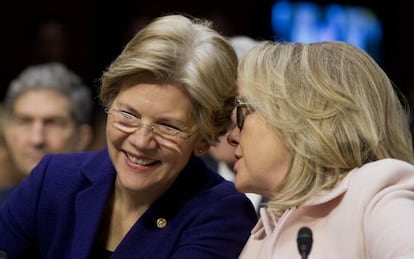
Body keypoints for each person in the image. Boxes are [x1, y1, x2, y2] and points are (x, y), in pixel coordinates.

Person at [0, 14, 257, 258]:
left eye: (168, 126)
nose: (140, 141)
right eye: (129, 115)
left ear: (203, 139)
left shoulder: (222, 213)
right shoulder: (54, 179)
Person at [227, 41, 414, 258]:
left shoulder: (375, 191)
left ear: (297, 115)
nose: (232, 136)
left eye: (242, 112)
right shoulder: (261, 233)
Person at [0, 62, 93, 205]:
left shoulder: (101, 213)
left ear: (82, 138)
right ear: (9, 133)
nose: (37, 139)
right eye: (25, 121)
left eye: (53, 123)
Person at [202, 35, 263, 212]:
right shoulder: (184, 179)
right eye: (215, 101)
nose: (228, 116)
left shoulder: (293, 194)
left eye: (239, 104)